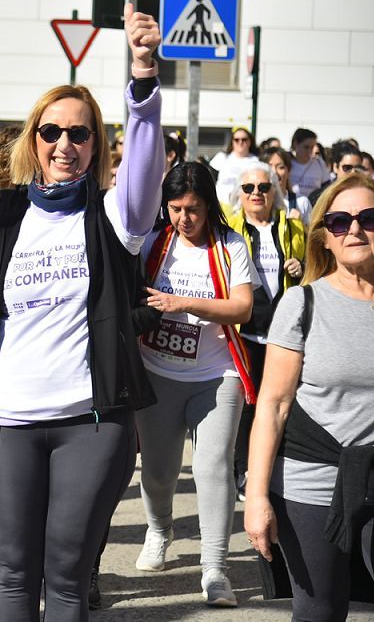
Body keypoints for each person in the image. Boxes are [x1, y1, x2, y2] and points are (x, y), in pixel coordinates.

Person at [0, 4, 165, 620]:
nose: (65, 144)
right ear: (32, 141)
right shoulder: (0, 218)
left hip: (90, 423)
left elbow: (145, 172)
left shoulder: (115, 214)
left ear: (97, 144)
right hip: (2, 423)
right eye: (51, 132)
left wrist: (143, 78)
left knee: (66, 579)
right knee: (14, 578)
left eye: (80, 132)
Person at [245, 173, 374, 621]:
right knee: (319, 609)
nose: (355, 230)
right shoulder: (302, 303)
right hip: (311, 480)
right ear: (324, 238)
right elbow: (273, 404)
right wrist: (257, 497)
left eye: (371, 218)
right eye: (340, 221)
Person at [136, 162, 257, 607]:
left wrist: (181, 302)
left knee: (212, 469)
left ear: (210, 207)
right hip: (157, 371)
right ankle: (159, 530)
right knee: (160, 470)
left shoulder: (230, 245)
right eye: (175, 208)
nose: (184, 218)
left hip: (216, 373)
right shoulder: (153, 243)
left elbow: (242, 308)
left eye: (194, 209)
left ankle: (215, 569)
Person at [226, 163, 306, 499]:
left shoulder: (293, 228)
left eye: (263, 187)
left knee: (280, 403)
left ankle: (272, 470)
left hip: (282, 334)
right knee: (247, 405)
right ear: (239, 196)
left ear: (274, 190)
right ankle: (241, 472)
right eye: (248, 189)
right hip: (245, 331)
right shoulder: (230, 229)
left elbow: (312, 271)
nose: (256, 193)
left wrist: (300, 268)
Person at [265, 147, 313, 226]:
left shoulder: (301, 202)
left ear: (289, 170)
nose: (274, 172)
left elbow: (311, 235)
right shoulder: (255, 202)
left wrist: (299, 225)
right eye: (269, 167)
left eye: (280, 167)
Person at [212, 127, 260, 204]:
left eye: (244, 139)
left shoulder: (256, 161)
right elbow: (211, 179)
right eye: (236, 140)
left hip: (245, 204)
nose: (240, 142)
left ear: (250, 141)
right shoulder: (221, 157)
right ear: (232, 142)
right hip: (221, 203)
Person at [289, 128, 331, 197]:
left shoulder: (319, 163)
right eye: (306, 147)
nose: (309, 151)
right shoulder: (288, 163)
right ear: (295, 144)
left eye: (312, 147)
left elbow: (326, 187)